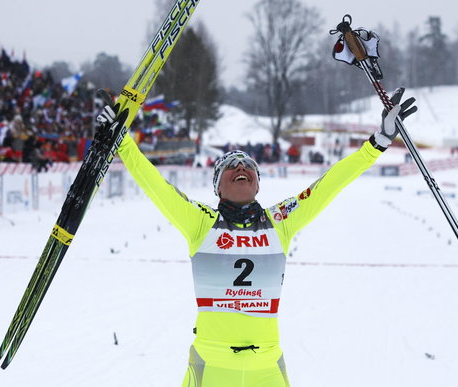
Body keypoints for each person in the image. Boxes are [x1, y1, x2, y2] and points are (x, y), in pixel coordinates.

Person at [97, 87, 416, 386]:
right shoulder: (200, 222)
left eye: (249, 165)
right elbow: (156, 185)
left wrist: (379, 141)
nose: (241, 166)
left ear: (258, 185)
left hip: (266, 368)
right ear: (218, 187)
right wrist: (121, 140)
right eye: (230, 165)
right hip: (212, 365)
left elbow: (329, 183)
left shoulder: (279, 221)